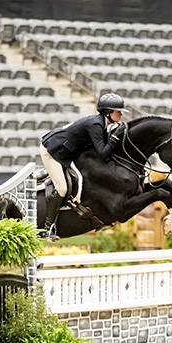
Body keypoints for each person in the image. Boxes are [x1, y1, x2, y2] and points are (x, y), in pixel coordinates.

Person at [40, 93, 129, 239]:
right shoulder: (95, 124)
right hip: (53, 151)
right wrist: (114, 138)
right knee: (62, 189)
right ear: (108, 112)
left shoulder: (101, 123)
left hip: (68, 153)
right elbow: (102, 152)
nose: (121, 114)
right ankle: (48, 228)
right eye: (117, 111)